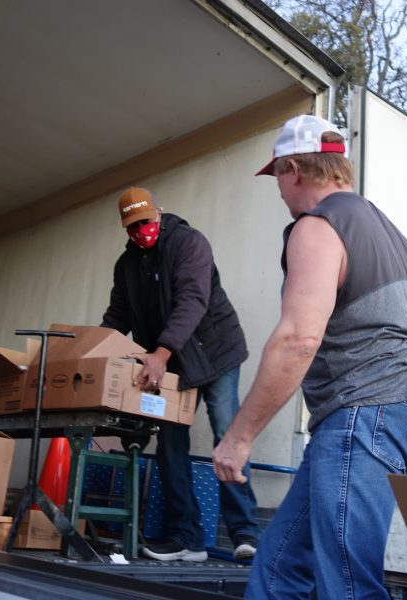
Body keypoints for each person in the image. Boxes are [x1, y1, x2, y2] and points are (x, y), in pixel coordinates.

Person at [212, 114, 407, 599]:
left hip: (363, 418)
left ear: (293, 168)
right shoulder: (389, 232)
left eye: (276, 176)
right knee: (279, 567)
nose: (278, 191)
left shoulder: (316, 226)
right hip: (404, 414)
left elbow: (298, 338)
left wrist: (239, 437)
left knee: (349, 585)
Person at [101, 186, 260, 562]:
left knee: (226, 432)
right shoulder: (126, 266)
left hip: (214, 351)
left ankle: (246, 534)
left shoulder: (189, 243)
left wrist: (159, 353)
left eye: (146, 221)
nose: (142, 230)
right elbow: (117, 317)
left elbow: (192, 300)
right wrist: (95, 349)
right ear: (125, 230)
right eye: (133, 226)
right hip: (171, 363)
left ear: (159, 213)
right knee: (171, 442)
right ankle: (186, 538)